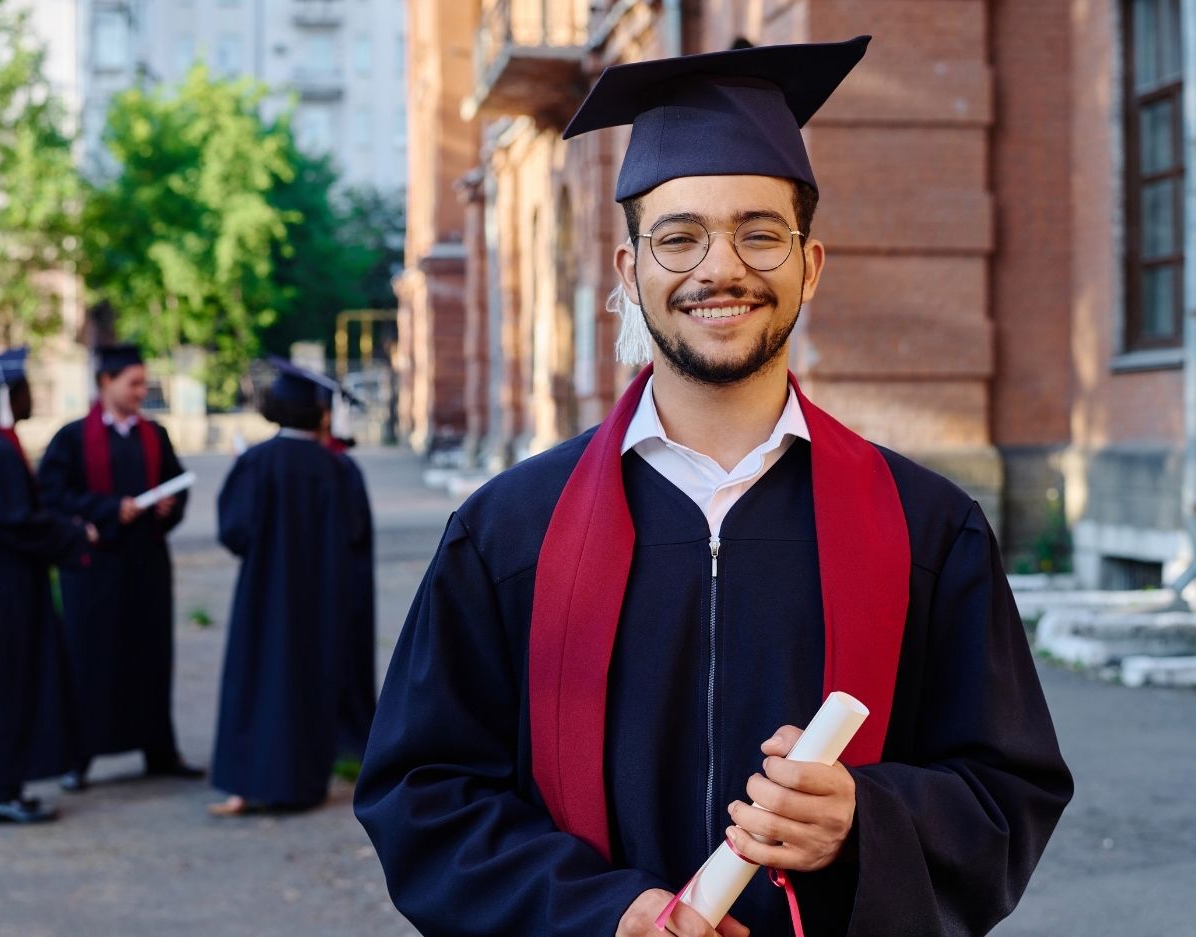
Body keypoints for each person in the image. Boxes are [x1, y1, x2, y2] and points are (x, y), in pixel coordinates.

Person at [354, 37, 1073, 937]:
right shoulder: (508, 532)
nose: (718, 268)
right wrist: (599, 911)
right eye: (678, 236)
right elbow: (423, 793)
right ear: (630, 273)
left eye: (759, 233)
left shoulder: (927, 529)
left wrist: (866, 818)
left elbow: (1008, 788)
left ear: (809, 265)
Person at [209, 359, 374, 815]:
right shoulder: (339, 471)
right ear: (322, 414)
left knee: (256, 680)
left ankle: (244, 785)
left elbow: (235, 533)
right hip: (321, 601)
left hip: (264, 597)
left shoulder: (256, 463)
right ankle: (303, 785)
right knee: (309, 682)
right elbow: (357, 539)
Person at [36, 343, 200, 790]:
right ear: (105, 382)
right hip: (94, 568)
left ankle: (158, 750)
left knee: (151, 655)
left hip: (146, 564)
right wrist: (109, 509)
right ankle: (80, 756)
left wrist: (169, 505)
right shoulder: (71, 438)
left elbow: (177, 483)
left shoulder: (154, 434)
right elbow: (52, 496)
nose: (140, 391)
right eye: (134, 383)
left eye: (144, 382)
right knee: (91, 659)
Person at [0, 348, 94, 824]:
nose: (33, 397)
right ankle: (2, 792)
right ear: (8, 395)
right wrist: (74, 535)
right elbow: (15, 522)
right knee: (4, 683)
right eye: (26, 389)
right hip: (2, 595)